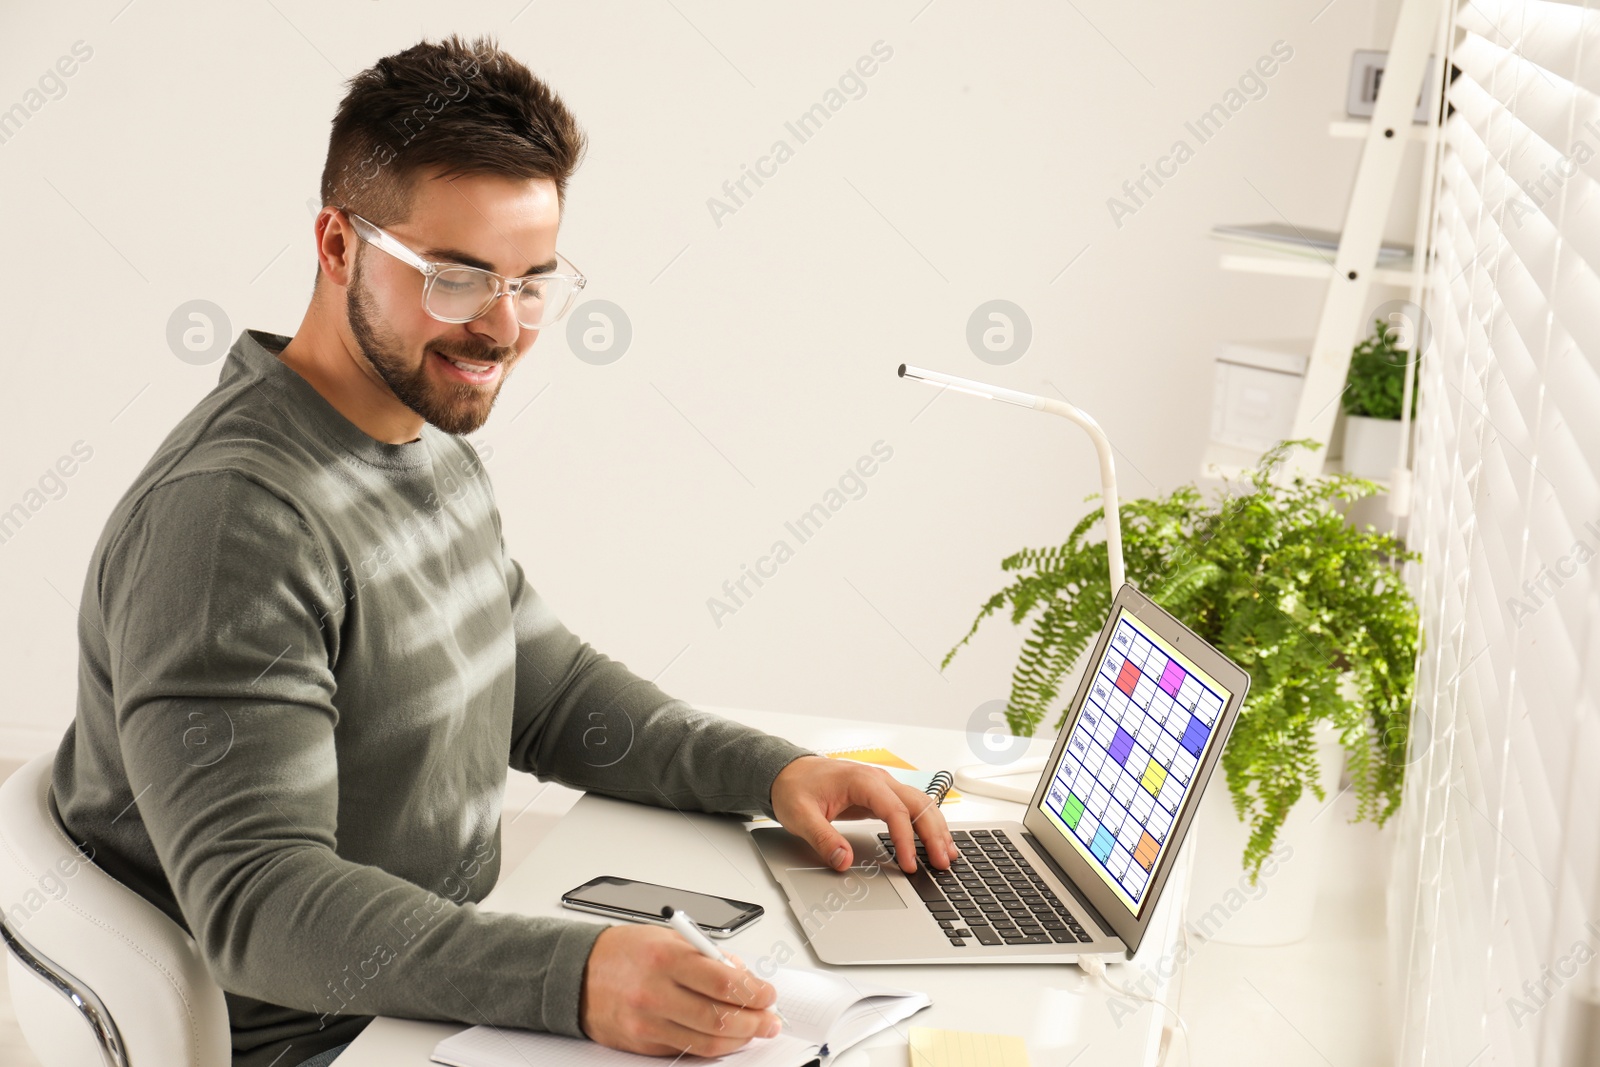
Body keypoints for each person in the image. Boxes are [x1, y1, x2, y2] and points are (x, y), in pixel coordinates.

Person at [50, 33, 956, 1067]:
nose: (502, 327)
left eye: (532, 281)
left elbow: (547, 690)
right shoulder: (232, 522)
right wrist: (573, 978)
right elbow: (261, 903)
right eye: (455, 276)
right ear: (337, 244)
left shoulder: (423, 440)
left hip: (432, 1006)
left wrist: (774, 769)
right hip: (331, 1043)